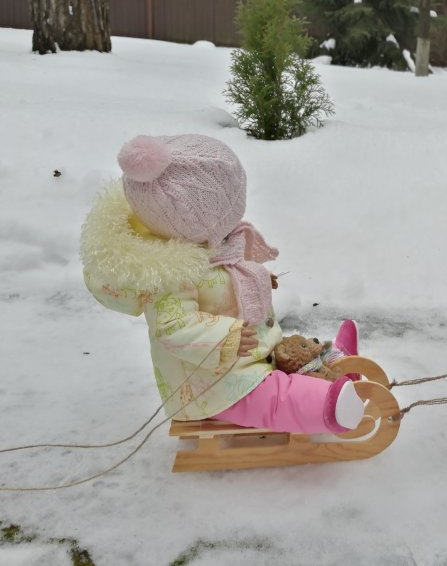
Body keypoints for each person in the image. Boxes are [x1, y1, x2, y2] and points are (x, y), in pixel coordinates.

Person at [80, 134, 365, 434]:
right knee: (274, 398)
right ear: (202, 219)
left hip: (250, 357)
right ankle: (329, 405)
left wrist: (251, 279)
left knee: (290, 355)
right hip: (214, 385)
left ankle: (337, 365)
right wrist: (223, 336)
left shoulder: (205, 241)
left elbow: (218, 279)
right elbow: (173, 326)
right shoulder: (168, 273)